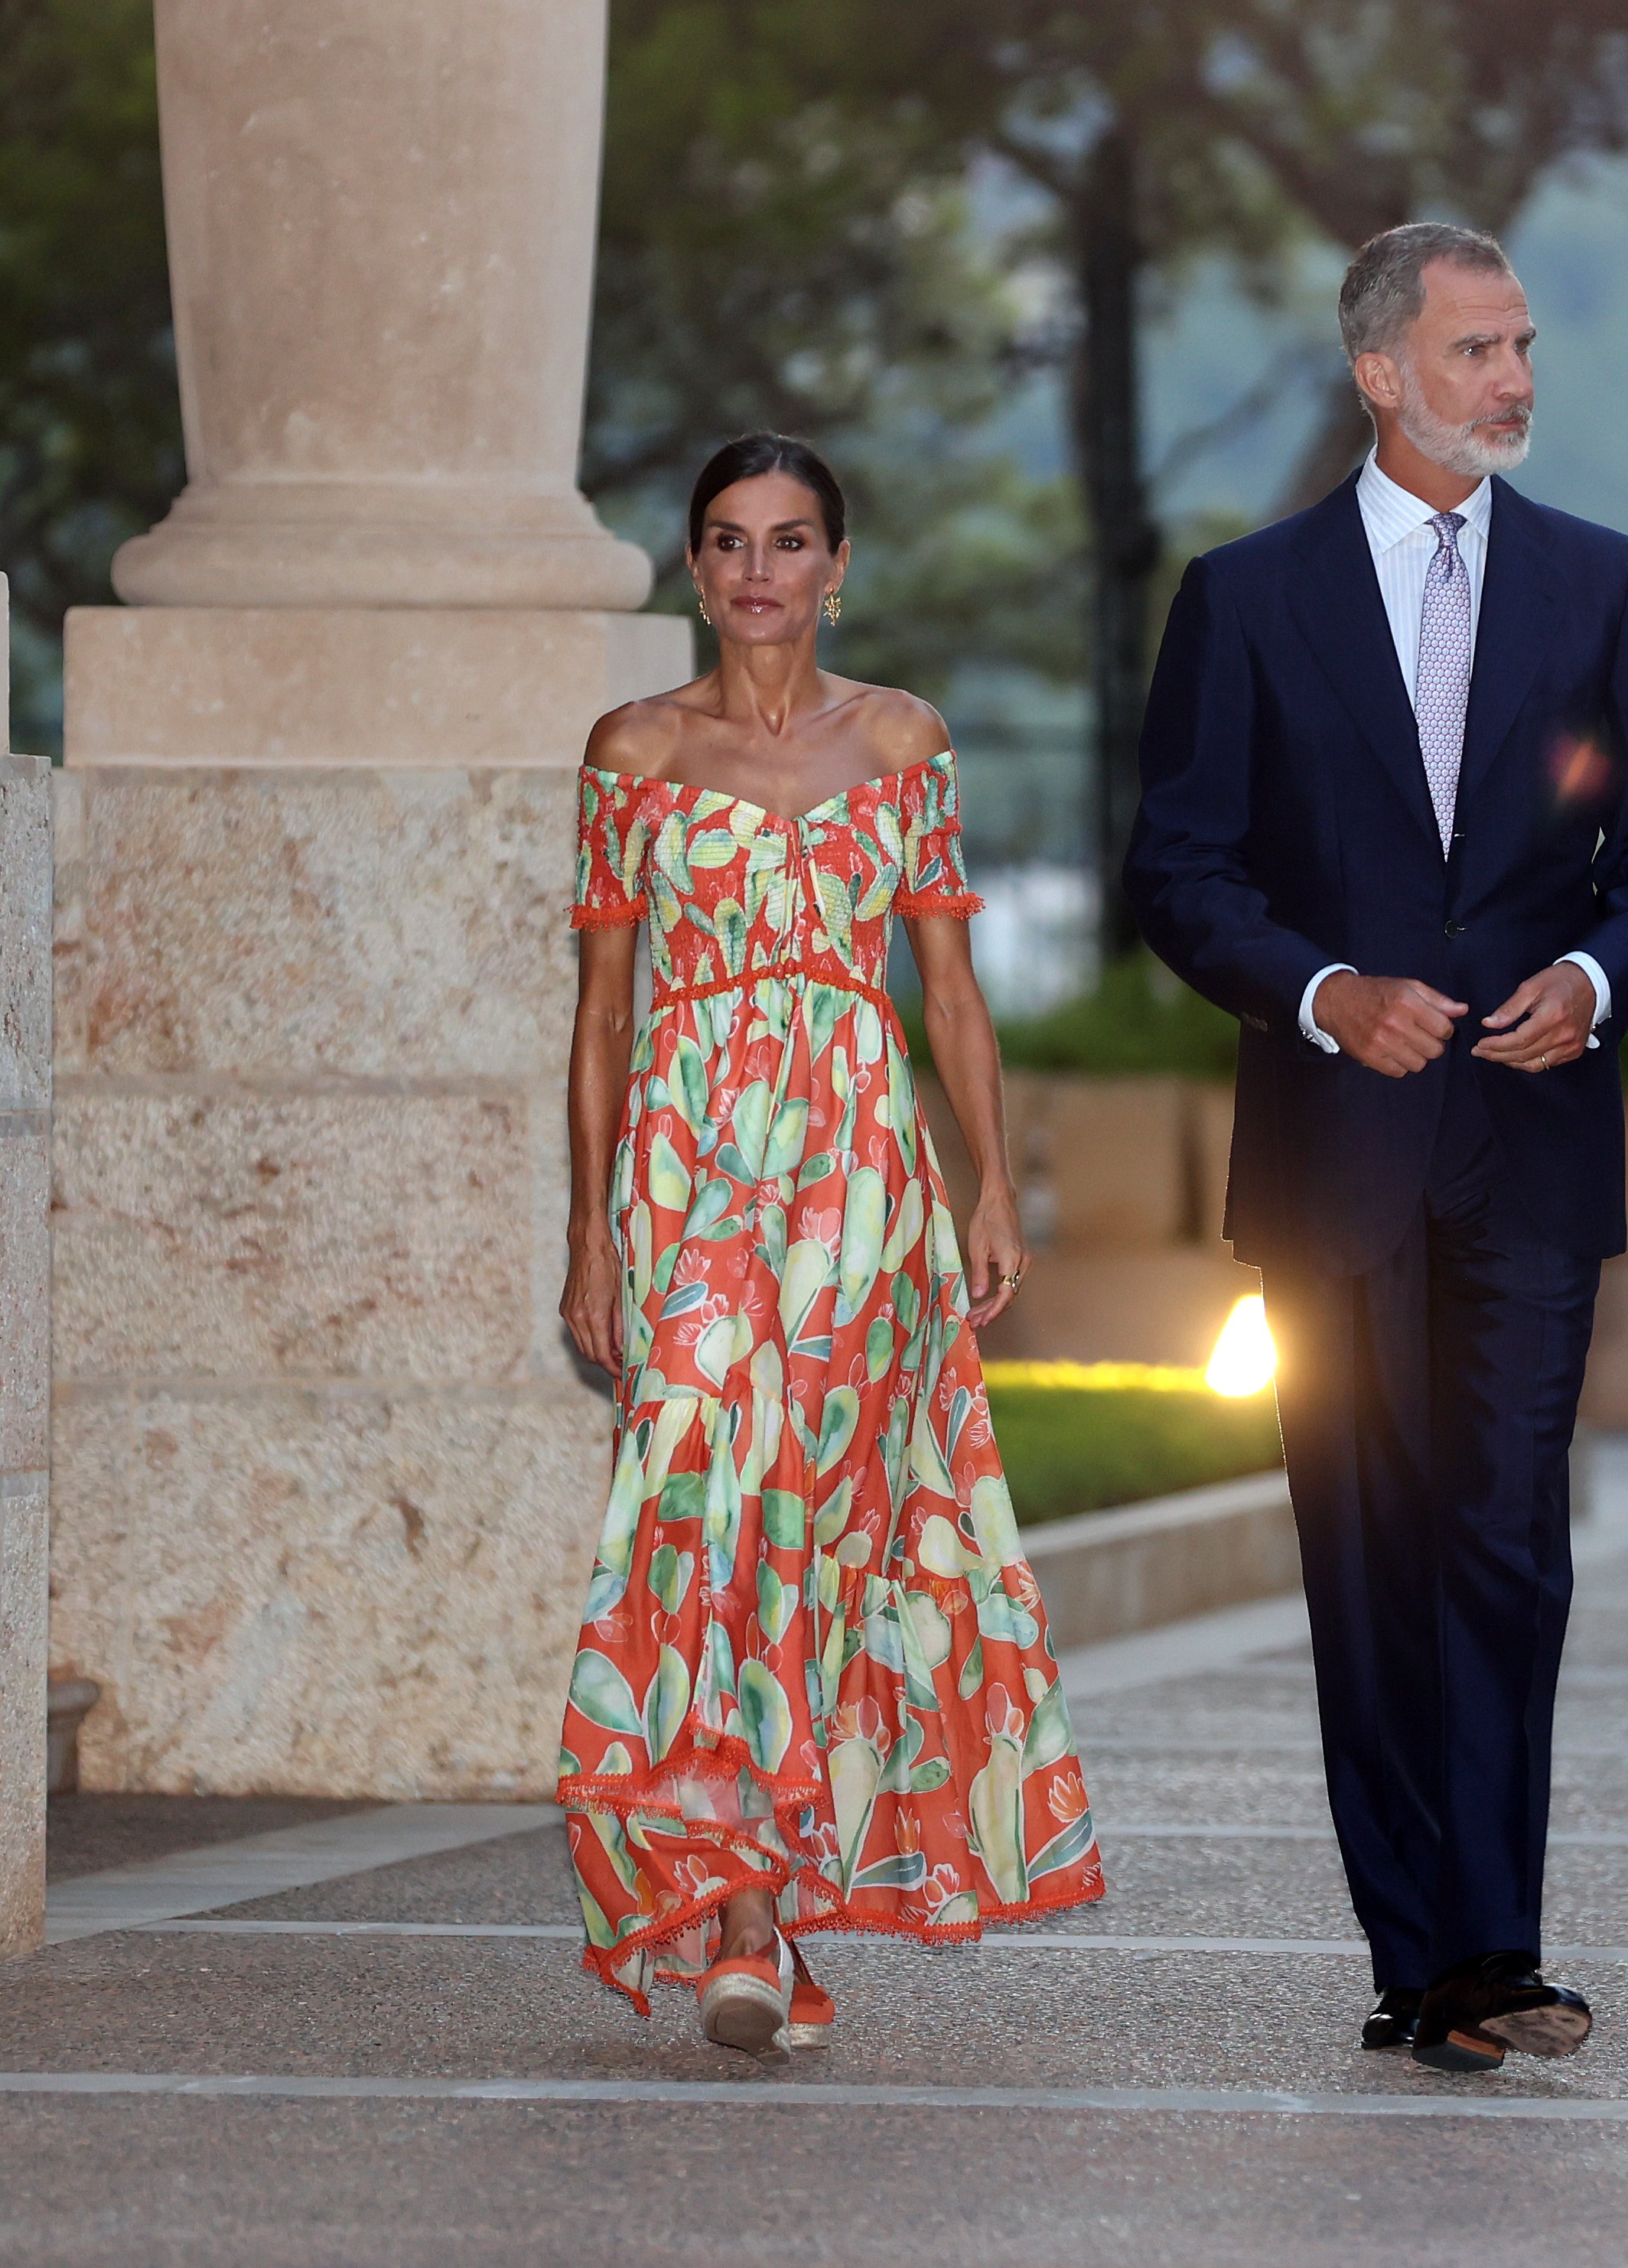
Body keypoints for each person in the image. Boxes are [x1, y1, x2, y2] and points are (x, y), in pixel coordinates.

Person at [1126, 223, 1628, 2074]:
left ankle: (1492, 1949)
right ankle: (1420, 1952)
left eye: (1524, 346)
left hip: (1532, 1153)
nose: (1515, 381)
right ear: (1382, 372)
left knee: (1507, 1548)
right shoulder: (1243, 597)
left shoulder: (1607, 584)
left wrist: (1590, 974)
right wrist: (1318, 993)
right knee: (1366, 1548)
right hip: (1337, 1160)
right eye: (1478, 350)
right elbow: (1180, 871)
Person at [556, 433, 1105, 2053]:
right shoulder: (632, 746)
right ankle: (736, 1901)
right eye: (728, 541)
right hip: (692, 1163)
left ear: (838, 564)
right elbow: (600, 1019)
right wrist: (589, 1229)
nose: (757, 571)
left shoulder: (905, 739)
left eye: (791, 542)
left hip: (862, 1172)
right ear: (696, 564)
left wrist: (989, 1185)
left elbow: (949, 993)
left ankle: (755, 1913)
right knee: (696, 1497)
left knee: (816, 1524)